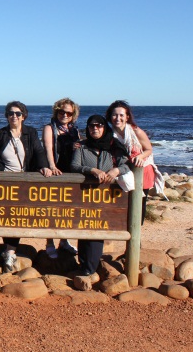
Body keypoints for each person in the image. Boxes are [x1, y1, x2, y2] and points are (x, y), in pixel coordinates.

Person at [0, 101, 52, 272]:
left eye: (18, 113)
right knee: (8, 215)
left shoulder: (30, 133)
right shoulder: (1, 134)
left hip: (25, 181)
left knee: (19, 215)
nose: (14, 116)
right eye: (10, 113)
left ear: (24, 116)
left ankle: (12, 249)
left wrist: (44, 166)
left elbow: (38, 151)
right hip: (6, 181)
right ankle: (10, 251)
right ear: (7, 116)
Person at [70, 115, 130, 275]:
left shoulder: (114, 146)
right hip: (85, 195)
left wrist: (115, 170)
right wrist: (91, 170)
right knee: (83, 229)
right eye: (91, 126)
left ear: (105, 128)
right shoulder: (82, 147)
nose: (95, 128)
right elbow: (74, 166)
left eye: (98, 125)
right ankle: (84, 267)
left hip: (107, 198)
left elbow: (126, 165)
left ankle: (90, 268)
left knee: (97, 231)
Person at [42, 98, 81, 258]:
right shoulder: (50, 128)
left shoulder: (74, 130)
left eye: (68, 113)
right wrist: (52, 166)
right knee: (52, 209)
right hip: (56, 172)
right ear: (56, 111)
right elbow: (48, 148)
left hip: (70, 173)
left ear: (73, 115)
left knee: (67, 210)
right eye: (61, 112)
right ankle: (49, 242)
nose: (64, 115)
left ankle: (64, 241)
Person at [106, 100, 156, 225]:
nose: (118, 118)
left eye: (121, 115)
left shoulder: (136, 131)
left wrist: (141, 155)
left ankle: (136, 238)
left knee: (139, 205)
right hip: (123, 172)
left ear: (127, 117)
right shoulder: (109, 134)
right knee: (123, 204)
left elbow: (149, 149)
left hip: (141, 171)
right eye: (115, 115)